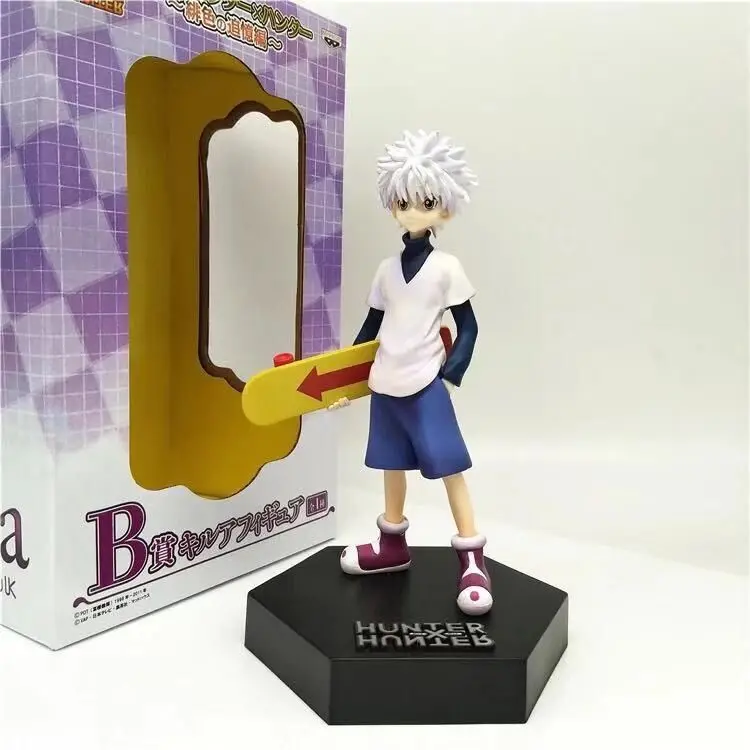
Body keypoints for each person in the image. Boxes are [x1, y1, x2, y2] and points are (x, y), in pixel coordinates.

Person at [329, 130, 492, 616]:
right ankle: (392, 545)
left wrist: (450, 375)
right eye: (403, 202)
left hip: (426, 384)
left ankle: (472, 558)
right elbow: (369, 329)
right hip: (384, 383)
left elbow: (468, 326)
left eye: (425, 202)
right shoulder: (385, 270)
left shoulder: (446, 268)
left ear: (444, 209)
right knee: (391, 463)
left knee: (449, 468)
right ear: (392, 205)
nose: (413, 211)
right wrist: (343, 380)